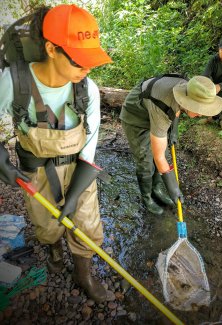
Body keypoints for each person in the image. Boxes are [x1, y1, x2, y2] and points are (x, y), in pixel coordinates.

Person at [0, 4, 112, 303]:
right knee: (46, 224)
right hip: (35, 172)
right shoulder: (14, 82)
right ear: (51, 49)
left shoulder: (88, 89)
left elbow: (91, 144)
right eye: (79, 62)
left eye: (91, 62)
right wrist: (3, 162)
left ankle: (83, 272)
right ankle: (53, 249)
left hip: (79, 170)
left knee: (87, 224)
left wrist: (75, 194)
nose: (87, 70)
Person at [120, 74, 222, 215]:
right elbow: (159, 156)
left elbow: (176, 108)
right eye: (199, 109)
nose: (201, 114)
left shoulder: (192, 87)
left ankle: (156, 189)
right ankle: (147, 197)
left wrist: (173, 131)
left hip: (156, 112)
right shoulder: (162, 105)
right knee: (146, 161)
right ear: (188, 101)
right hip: (136, 119)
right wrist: (174, 189)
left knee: (163, 156)